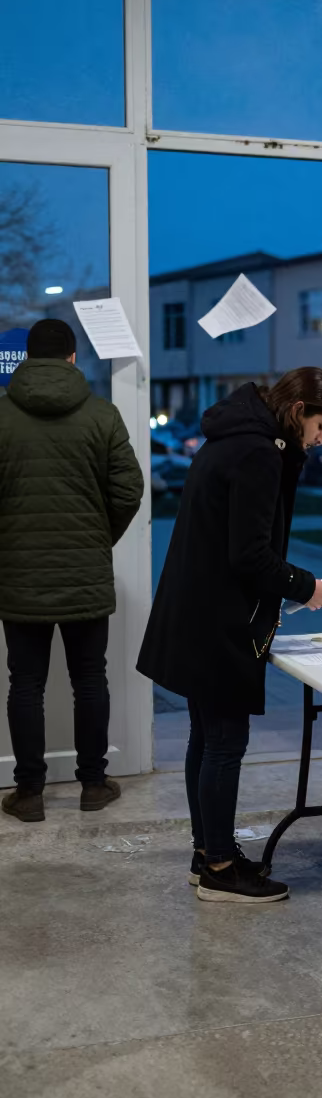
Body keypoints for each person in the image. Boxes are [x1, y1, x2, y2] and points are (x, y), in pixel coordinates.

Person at [137, 368, 322, 905]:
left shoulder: (232, 438)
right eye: (320, 426)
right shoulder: (257, 453)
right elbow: (249, 554)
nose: (321, 441)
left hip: (197, 612)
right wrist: (307, 587)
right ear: (298, 410)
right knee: (224, 744)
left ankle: (207, 851)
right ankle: (221, 870)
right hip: (218, 622)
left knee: (206, 740)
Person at [0, 319, 143, 822]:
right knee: (89, 679)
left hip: (18, 578)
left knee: (25, 684)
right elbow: (129, 490)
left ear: (24, 359)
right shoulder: (102, 415)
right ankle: (93, 784)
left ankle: (30, 794)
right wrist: (96, 539)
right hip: (85, 573)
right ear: (72, 358)